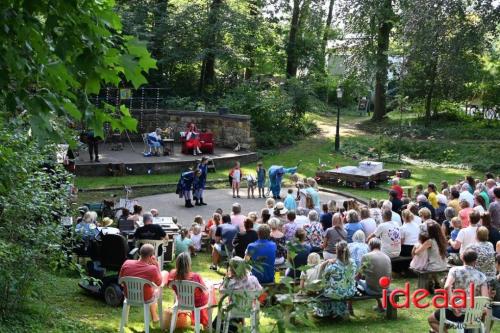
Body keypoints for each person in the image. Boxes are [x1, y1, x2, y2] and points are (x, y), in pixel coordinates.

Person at [427, 248, 488, 333]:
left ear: (462, 258)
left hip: (455, 311)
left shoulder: (455, 270)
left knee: (431, 319)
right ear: (475, 261)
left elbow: (447, 286)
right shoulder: (482, 276)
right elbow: (485, 298)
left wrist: (454, 305)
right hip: (473, 314)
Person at [119, 244, 168, 323]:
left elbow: (121, 282)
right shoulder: (152, 269)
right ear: (151, 256)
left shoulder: (126, 263)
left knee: (150, 287)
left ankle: (155, 317)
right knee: (163, 276)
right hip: (146, 298)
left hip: (129, 296)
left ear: (139, 253)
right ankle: (155, 317)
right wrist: (157, 265)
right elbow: (159, 283)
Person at [313, 241, 357, 319]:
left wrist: (325, 263)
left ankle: (326, 312)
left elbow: (324, 279)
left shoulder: (333, 264)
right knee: (335, 289)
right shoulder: (353, 263)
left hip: (336, 293)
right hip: (350, 291)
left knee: (323, 290)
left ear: (337, 251)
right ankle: (338, 312)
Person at [168, 253, 209, 328]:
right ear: (189, 263)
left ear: (177, 263)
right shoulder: (195, 276)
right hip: (197, 303)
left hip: (182, 301)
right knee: (210, 293)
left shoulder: (172, 274)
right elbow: (204, 290)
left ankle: (198, 320)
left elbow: (170, 285)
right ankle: (207, 322)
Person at [358, 238, 392, 312]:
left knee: (357, 281)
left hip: (373, 290)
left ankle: (349, 308)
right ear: (380, 246)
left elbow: (359, 275)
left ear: (370, 246)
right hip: (386, 288)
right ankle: (380, 305)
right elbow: (390, 276)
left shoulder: (366, 256)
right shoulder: (387, 257)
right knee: (375, 280)